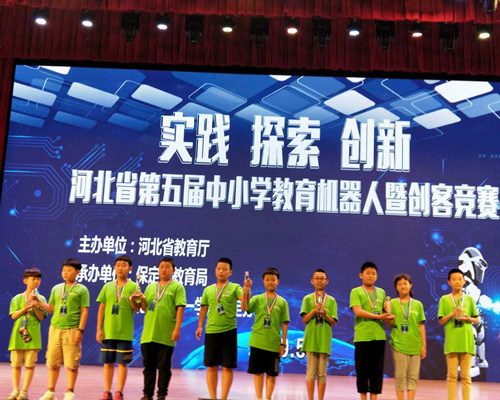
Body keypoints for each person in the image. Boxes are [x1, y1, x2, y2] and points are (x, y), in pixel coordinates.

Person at [195, 257, 251, 400]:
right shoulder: (208, 290)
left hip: (229, 332)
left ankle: (223, 398)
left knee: (227, 367)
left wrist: (247, 291)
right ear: (215, 270)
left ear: (230, 272)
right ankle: (213, 397)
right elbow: (203, 309)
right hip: (211, 331)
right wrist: (200, 326)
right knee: (211, 366)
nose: (221, 271)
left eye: (224, 269)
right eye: (219, 268)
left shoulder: (235, 287)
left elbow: (245, 306)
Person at [131, 257, 186, 400]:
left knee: (164, 367)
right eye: (161, 267)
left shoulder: (177, 287)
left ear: (174, 270)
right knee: (148, 367)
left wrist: (177, 329)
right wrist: (137, 300)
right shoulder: (150, 287)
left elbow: (180, 308)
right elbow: (144, 308)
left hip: (166, 334)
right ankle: (147, 394)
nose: (164, 270)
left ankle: (161, 394)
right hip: (149, 334)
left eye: (168, 267)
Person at [37, 258, 90, 400]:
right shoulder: (56, 288)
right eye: (63, 270)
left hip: (72, 330)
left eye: (69, 270)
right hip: (55, 329)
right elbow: (51, 308)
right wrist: (38, 302)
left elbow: (84, 311)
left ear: (77, 272)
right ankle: (50, 392)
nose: (65, 273)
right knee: (52, 362)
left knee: (71, 363)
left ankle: (69, 392)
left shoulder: (82, 289)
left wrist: (80, 330)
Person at [241, 267, 289, 400]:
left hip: (273, 344)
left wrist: (283, 344)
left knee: (271, 374)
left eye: (273, 279)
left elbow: (285, 323)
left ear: (278, 281)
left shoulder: (282, 302)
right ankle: (259, 398)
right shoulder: (257, 299)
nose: (270, 282)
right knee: (258, 373)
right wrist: (246, 292)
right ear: (263, 282)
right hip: (257, 342)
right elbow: (245, 308)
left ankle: (268, 398)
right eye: (267, 279)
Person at [349, 261, 394, 400]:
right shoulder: (356, 291)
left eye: (373, 274)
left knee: (376, 371)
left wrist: (387, 314)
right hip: (362, 336)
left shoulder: (381, 292)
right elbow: (358, 311)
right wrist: (379, 316)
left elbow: (384, 312)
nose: (371, 276)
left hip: (379, 337)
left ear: (377, 276)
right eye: (368, 273)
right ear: (361, 275)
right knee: (362, 370)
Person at [96, 255, 137, 400]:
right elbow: (101, 309)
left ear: (130, 268)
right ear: (114, 267)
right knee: (108, 363)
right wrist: (99, 329)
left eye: (124, 265)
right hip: (108, 331)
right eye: (118, 265)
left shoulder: (134, 286)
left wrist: (134, 300)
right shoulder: (107, 286)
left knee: (122, 363)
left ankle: (119, 392)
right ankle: (107, 391)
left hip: (125, 332)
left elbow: (137, 308)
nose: (120, 268)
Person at [438, 268, 478, 400]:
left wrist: (468, 318)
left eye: (460, 279)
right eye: (454, 279)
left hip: (466, 342)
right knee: (452, 376)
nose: (457, 282)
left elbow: (476, 320)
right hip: (452, 343)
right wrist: (452, 314)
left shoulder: (469, 299)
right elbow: (441, 321)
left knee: (466, 377)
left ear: (464, 281)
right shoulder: (444, 299)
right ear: (449, 282)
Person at [8, 267, 48, 400]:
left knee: (30, 365)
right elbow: (13, 316)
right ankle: (15, 390)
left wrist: (36, 305)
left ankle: (24, 391)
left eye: (38, 279)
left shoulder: (42, 298)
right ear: (25, 281)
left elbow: (41, 317)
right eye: (33, 279)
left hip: (33, 336)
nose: (36, 282)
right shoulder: (17, 298)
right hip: (18, 336)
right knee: (16, 365)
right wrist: (26, 307)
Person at [386, 274, 426, 400]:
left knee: (413, 376)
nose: (403, 286)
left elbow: (421, 326)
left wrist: (423, 346)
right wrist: (388, 313)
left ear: (410, 285)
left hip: (415, 345)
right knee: (400, 376)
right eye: (399, 284)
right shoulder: (392, 303)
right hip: (399, 344)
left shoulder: (418, 304)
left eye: (405, 283)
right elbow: (390, 324)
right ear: (396, 287)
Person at [300, 269, 338, 400]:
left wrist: (325, 315)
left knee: (322, 374)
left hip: (324, 341)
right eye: (317, 278)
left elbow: (334, 322)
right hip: (311, 340)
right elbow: (304, 320)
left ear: (327, 281)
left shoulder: (331, 300)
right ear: (312, 281)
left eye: (322, 278)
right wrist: (314, 311)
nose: (319, 281)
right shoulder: (307, 299)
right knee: (311, 373)